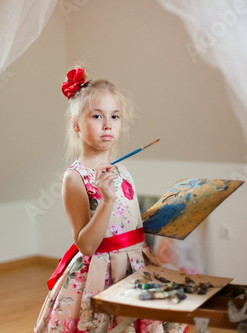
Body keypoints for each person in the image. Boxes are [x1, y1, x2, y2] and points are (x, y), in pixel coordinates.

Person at [34, 66, 188, 333]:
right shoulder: (76, 178)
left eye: (115, 116)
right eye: (97, 116)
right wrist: (105, 201)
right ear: (75, 123)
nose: (108, 124)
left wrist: (166, 215)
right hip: (102, 274)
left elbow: (127, 223)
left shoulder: (122, 169)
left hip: (137, 266)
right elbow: (86, 245)